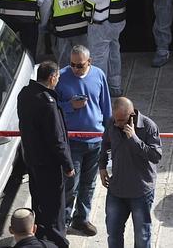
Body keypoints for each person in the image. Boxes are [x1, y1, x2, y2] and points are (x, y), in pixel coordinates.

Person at [55, 45, 111, 236]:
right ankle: (64, 221)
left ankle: (82, 219)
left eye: (80, 65)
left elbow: (106, 106)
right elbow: (53, 109)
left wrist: (108, 136)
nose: (75, 69)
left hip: (95, 140)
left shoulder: (99, 75)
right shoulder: (61, 77)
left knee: (89, 184)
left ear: (90, 62)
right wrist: (70, 106)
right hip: (73, 142)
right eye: (72, 65)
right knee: (71, 184)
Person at [17, 61, 74, 248]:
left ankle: (39, 233)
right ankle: (57, 241)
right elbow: (57, 139)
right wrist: (68, 165)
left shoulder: (25, 94)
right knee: (55, 205)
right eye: (57, 77)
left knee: (39, 199)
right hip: (49, 163)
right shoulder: (47, 103)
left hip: (32, 159)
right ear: (52, 78)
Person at [98, 97, 162, 248]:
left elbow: (156, 156)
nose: (117, 124)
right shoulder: (112, 123)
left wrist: (134, 138)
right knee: (113, 234)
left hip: (140, 191)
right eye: (116, 119)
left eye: (121, 120)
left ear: (131, 115)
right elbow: (105, 144)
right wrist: (102, 166)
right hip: (117, 189)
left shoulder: (148, 127)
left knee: (142, 237)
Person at [79, 0, 126, 97]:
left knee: (98, 58)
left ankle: (98, 92)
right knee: (114, 52)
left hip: (102, 22)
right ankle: (115, 86)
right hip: (116, 19)